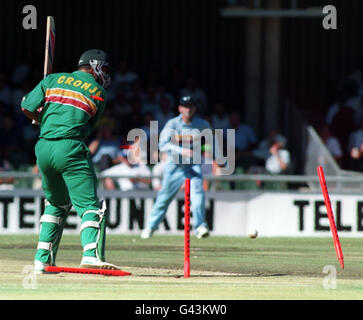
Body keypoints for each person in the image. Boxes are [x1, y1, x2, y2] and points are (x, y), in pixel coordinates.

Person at [21, 49, 122, 273]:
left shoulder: (52, 79)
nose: (105, 74)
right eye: (103, 69)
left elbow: (26, 107)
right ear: (93, 65)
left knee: (55, 204)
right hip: (70, 147)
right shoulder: (99, 93)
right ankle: (90, 255)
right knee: (90, 205)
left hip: (43, 147)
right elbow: (85, 128)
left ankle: (42, 258)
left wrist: (40, 117)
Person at [141, 95, 222, 239]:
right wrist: (181, 150)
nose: (188, 109)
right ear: (179, 108)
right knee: (164, 198)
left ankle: (200, 226)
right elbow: (162, 144)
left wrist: (220, 158)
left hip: (193, 164)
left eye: (191, 106)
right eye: (185, 106)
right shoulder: (172, 124)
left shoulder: (202, 123)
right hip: (175, 166)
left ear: (195, 108)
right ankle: (150, 227)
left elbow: (212, 140)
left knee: (198, 195)